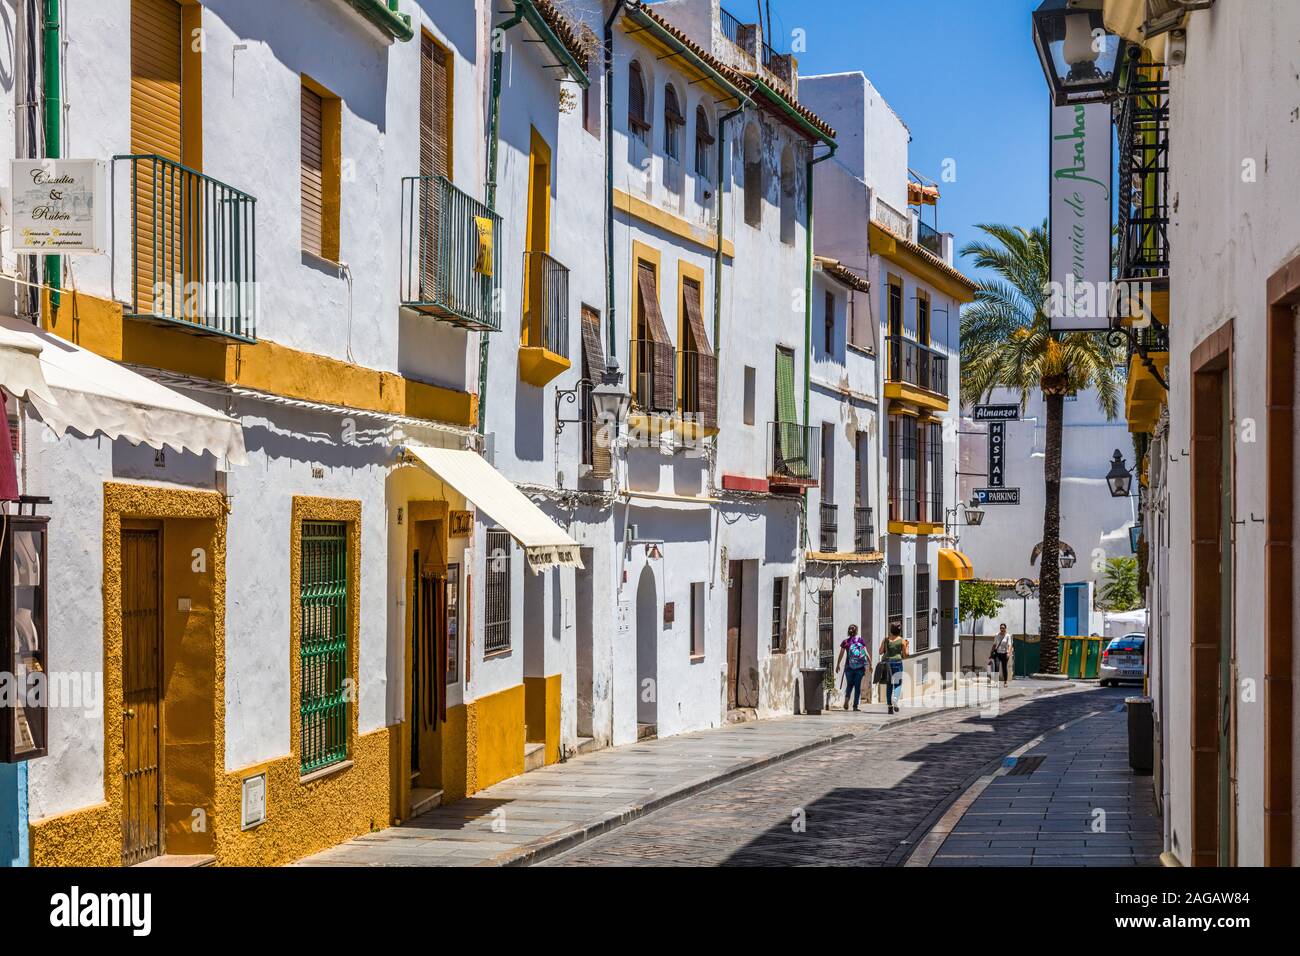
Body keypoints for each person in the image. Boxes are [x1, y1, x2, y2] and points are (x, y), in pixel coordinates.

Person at [836, 624, 870, 711]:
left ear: (848, 631)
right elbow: (866, 653)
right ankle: (855, 706)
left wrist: (838, 664)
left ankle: (847, 700)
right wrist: (870, 665)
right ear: (856, 632)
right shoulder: (861, 640)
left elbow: (841, 654)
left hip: (849, 667)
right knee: (857, 686)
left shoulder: (845, 642)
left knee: (850, 685)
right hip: (860, 668)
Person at [879, 623, 908, 714]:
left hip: (887, 664)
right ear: (899, 631)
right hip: (897, 663)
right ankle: (895, 698)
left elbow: (880, 652)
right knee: (898, 684)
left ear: (891, 630)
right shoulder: (902, 641)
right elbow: (905, 655)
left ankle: (889, 706)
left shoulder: (886, 639)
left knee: (889, 684)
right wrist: (907, 646)